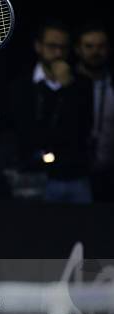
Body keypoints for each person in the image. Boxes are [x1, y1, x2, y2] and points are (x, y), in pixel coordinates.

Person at [4, 20, 93, 204]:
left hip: (72, 177)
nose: (58, 53)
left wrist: (67, 89)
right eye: (52, 46)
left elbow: (81, 128)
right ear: (38, 46)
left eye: (63, 48)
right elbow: (22, 129)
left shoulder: (81, 86)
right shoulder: (22, 85)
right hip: (32, 176)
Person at [75, 22, 114, 202]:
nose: (95, 52)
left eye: (101, 46)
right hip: (73, 175)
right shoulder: (67, 85)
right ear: (78, 49)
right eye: (89, 46)